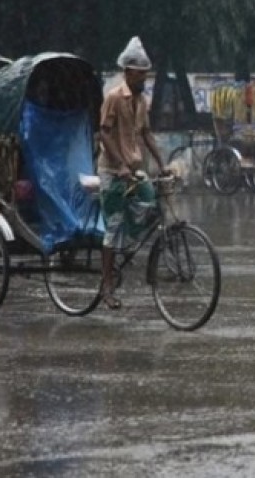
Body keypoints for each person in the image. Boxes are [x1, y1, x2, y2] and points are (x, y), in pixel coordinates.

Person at [96, 36, 165, 309]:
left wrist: (162, 163)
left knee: (150, 203)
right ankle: (107, 285)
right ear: (128, 73)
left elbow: (146, 133)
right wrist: (120, 166)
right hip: (113, 171)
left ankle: (129, 242)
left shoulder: (142, 101)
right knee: (112, 228)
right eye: (139, 74)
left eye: (146, 74)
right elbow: (104, 133)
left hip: (134, 170)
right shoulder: (114, 97)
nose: (143, 79)